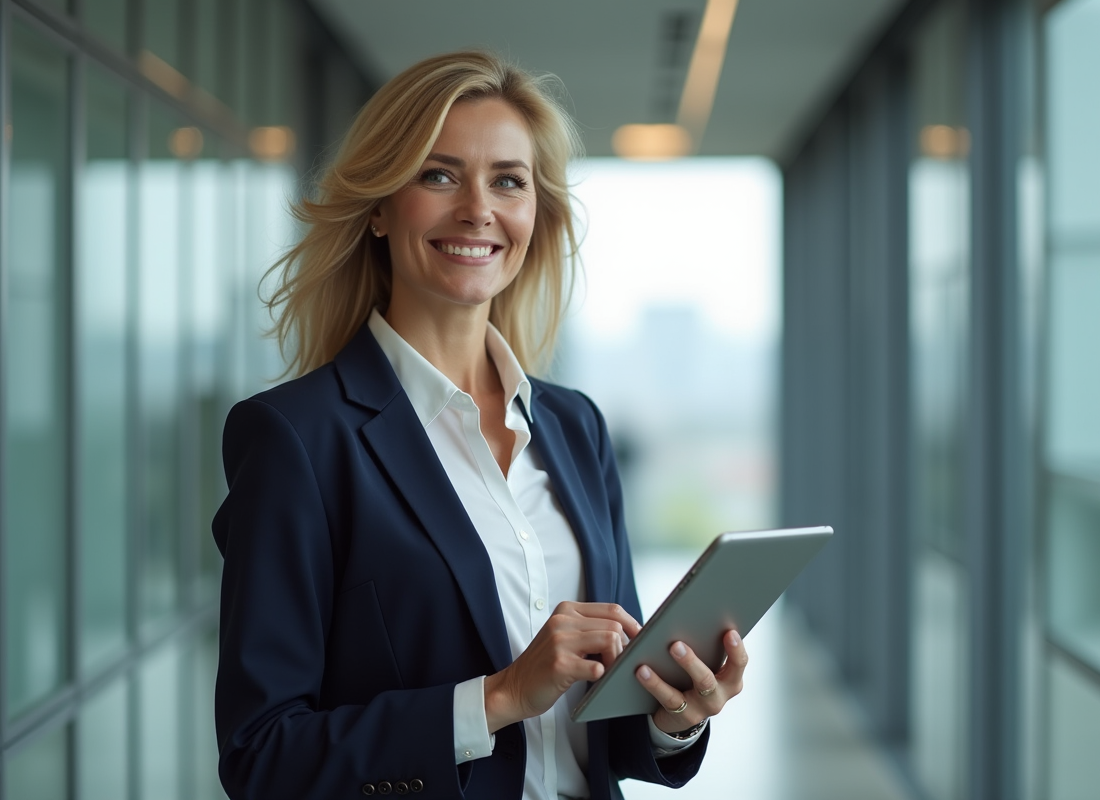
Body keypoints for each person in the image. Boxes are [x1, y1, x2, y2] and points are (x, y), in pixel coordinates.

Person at [212, 50, 749, 800]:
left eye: (508, 180)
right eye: (438, 174)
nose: (478, 209)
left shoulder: (574, 427)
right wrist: (495, 698)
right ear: (377, 205)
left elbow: (601, 727)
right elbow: (261, 755)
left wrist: (675, 716)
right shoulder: (296, 439)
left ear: (536, 214)